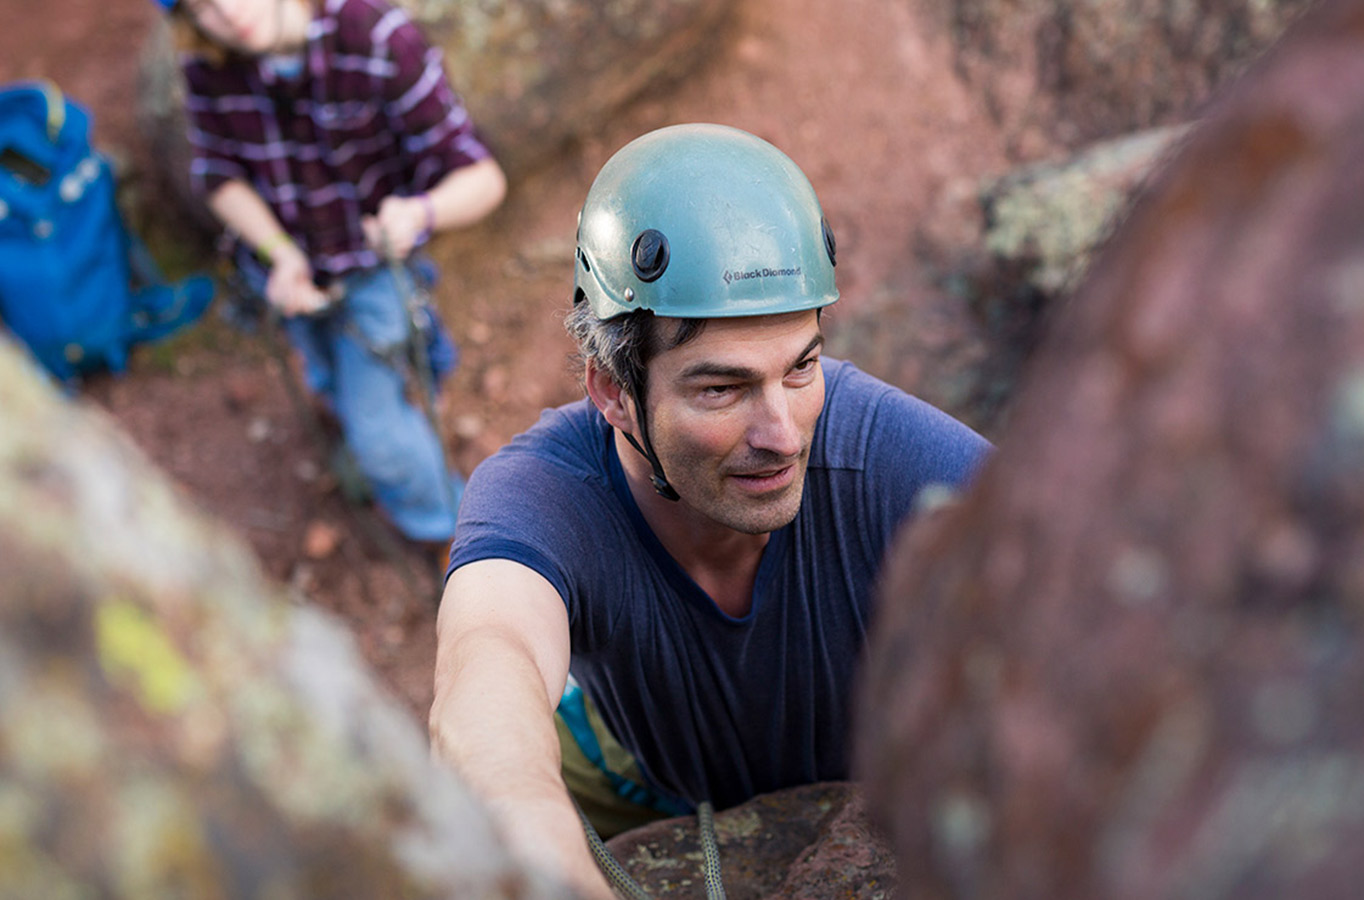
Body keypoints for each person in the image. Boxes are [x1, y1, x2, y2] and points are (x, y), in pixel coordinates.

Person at [430, 123, 989, 896]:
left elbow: (1077, 574)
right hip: (633, 775)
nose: (782, 435)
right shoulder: (545, 492)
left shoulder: (879, 451)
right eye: (720, 389)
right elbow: (485, 674)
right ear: (613, 393)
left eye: (801, 368)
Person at [156, 0, 507, 546]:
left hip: (373, 271)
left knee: (379, 438)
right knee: (324, 375)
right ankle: (374, 409)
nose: (229, 12)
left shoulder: (377, 38)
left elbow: (483, 178)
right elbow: (218, 173)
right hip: (287, 277)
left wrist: (419, 213)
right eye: (202, 7)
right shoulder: (208, 63)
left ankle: (463, 541)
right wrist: (279, 252)